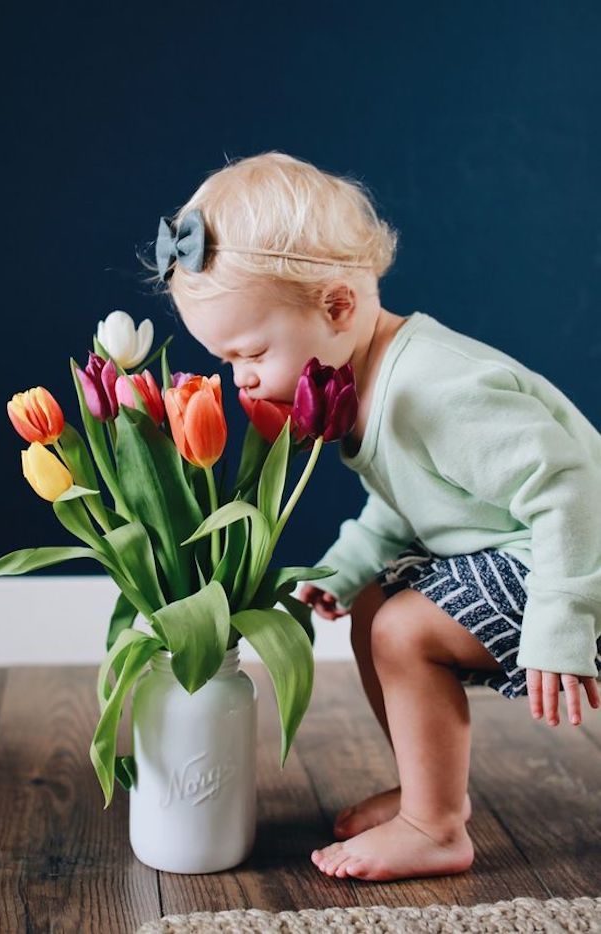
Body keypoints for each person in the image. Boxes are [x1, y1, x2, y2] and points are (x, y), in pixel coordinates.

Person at [147, 150, 601, 883]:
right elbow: (407, 496)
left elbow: (571, 485)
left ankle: (436, 827)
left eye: (253, 352)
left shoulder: (434, 386)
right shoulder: (367, 379)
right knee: (373, 605)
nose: (242, 380)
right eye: (226, 360)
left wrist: (564, 619)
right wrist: (349, 564)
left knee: (403, 628)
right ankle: (428, 792)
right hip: (522, 551)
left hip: (573, 560)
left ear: (337, 306)